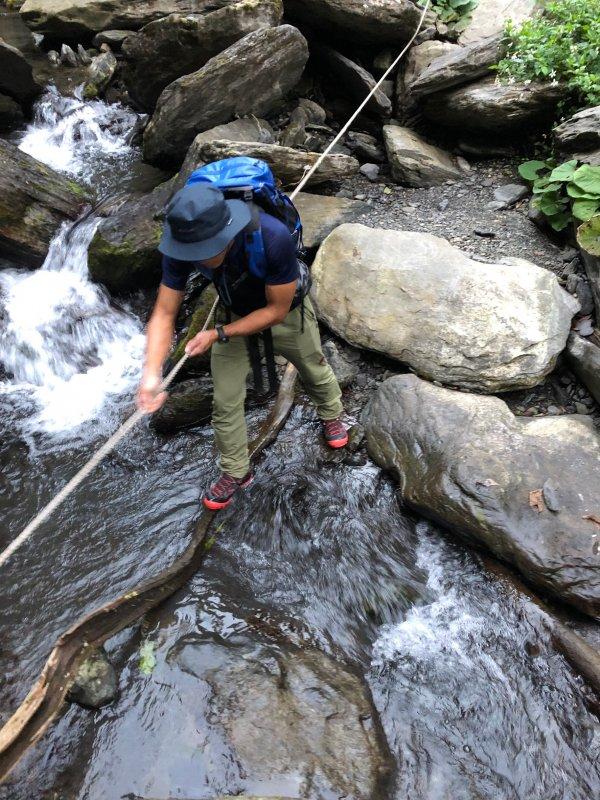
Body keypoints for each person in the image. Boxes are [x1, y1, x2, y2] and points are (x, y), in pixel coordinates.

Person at [137, 181, 348, 510]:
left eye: (206, 252)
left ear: (227, 232)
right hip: (234, 308)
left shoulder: (272, 236)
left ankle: (332, 413)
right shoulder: (180, 247)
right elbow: (164, 312)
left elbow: (276, 311)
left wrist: (219, 334)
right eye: (193, 253)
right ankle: (235, 470)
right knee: (225, 398)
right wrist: (151, 374)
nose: (200, 260)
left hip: (287, 311)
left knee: (312, 364)